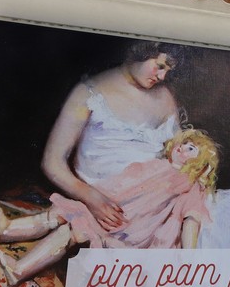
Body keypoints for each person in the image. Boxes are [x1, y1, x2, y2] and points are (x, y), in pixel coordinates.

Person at [0, 129, 219, 285]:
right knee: (62, 212)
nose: (183, 148)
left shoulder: (189, 185)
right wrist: (93, 199)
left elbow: (191, 219)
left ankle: (18, 270)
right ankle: (9, 230)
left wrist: (188, 258)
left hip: (128, 230)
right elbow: (121, 185)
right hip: (110, 210)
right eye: (184, 143)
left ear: (200, 165)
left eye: (192, 149)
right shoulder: (156, 165)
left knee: (71, 231)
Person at [41, 41, 183, 234]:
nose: (162, 76)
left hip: (157, 200)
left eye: (167, 71)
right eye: (159, 66)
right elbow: (52, 162)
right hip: (110, 204)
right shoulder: (89, 92)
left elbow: (182, 151)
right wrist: (90, 197)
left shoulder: (165, 96)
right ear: (141, 52)